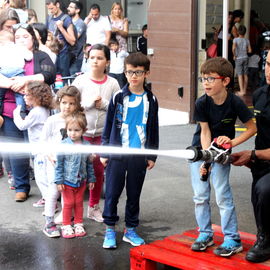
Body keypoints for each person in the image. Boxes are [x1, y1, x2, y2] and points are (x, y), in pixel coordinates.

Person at [189, 57, 257, 257]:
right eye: (203, 79)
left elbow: (252, 128)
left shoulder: (235, 102)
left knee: (222, 195)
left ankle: (232, 239)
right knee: (200, 196)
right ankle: (205, 235)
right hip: (201, 151)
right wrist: (206, 161)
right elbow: (204, 132)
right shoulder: (201, 102)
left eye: (210, 78)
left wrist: (231, 144)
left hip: (221, 154)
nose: (205, 83)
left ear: (225, 81)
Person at [100, 52, 159, 249]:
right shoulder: (118, 97)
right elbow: (108, 125)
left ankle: (130, 229)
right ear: (124, 73)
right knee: (112, 193)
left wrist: (152, 155)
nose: (133, 76)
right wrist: (104, 151)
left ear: (147, 73)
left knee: (134, 194)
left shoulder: (151, 99)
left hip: (139, 156)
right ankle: (110, 229)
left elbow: (153, 128)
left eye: (138, 72)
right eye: (129, 72)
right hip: (118, 154)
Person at [1, 22, 56, 202]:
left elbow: (49, 75)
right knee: (17, 152)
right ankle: (21, 187)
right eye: (17, 37)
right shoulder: (6, 55)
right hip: (11, 110)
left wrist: (26, 80)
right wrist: (10, 84)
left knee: (40, 151)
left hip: (37, 113)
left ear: (33, 38)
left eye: (25, 36)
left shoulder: (40, 56)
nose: (21, 40)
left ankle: (49, 190)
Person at [72, 44, 120, 224]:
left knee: (99, 170)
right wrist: (89, 104)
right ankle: (72, 208)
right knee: (77, 171)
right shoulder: (80, 81)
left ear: (107, 62)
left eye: (99, 58)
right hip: (80, 135)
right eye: (92, 57)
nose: (95, 61)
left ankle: (93, 207)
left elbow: (118, 108)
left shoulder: (113, 83)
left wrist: (105, 104)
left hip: (102, 135)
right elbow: (70, 106)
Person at [231, 50, 270, 263]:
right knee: (258, 195)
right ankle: (263, 236)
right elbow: (259, 132)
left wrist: (253, 154)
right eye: (268, 64)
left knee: (265, 191)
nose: (269, 70)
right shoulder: (259, 94)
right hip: (261, 160)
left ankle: (265, 241)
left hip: (263, 157)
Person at [40, 85, 83, 237]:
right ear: (59, 101)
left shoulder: (77, 120)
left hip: (72, 167)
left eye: (72, 103)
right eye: (64, 102)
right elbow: (43, 141)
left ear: (76, 104)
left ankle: (66, 222)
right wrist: (50, 155)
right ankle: (49, 223)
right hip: (55, 164)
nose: (67, 106)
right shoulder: (52, 120)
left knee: (68, 194)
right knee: (53, 193)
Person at [55, 112, 96, 238]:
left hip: (81, 181)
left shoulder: (87, 146)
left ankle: (78, 223)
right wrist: (59, 181)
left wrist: (91, 179)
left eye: (77, 130)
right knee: (68, 203)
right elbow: (59, 165)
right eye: (70, 130)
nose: (73, 133)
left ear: (84, 130)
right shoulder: (63, 145)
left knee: (78, 202)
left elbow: (89, 164)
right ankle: (66, 225)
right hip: (67, 181)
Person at [13, 82, 53, 208]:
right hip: (44, 148)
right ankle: (49, 199)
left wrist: (16, 113)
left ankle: (49, 201)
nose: (24, 97)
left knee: (41, 178)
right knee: (46, 176)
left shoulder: (36, 112)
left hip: (40, 150)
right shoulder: (44, 109)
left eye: (27, 95)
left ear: (36, 97)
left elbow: (21, 125)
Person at [0, 29, 33, 116]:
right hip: (16, 72)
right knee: (19, 93)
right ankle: (21, 111)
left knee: (0, 94)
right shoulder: (18, 47)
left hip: (3, 72)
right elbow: (29, 57)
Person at [46, 0, 76, 77]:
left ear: (58, 5)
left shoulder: (66, 19)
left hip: (63, 54)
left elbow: (72, 41)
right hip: (51, 53)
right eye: (48, 9)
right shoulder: (49, 18)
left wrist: (61, 28)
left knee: (63, 78)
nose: (50, 11)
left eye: (52, 8)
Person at [67, 0, 86, 74]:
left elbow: (74, 38)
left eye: (71, 7)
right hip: (68, 56)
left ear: (77, 10)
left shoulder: (80, 23)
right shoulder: (68, 21)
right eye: (69, 6)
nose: (68, 8)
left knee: (73, 79)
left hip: (76, 57)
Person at [232, 25, 252, 96]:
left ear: (238, 32)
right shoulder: (247, 40)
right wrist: (244, 50)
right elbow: (250, 50)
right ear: (245, 32)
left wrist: (234, 55)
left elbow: (233, 48)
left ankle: (241, 91)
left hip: (239, 58)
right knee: (245, 74)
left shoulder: (235, 40)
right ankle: (244, 90)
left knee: (240, 75)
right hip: (245, 58)